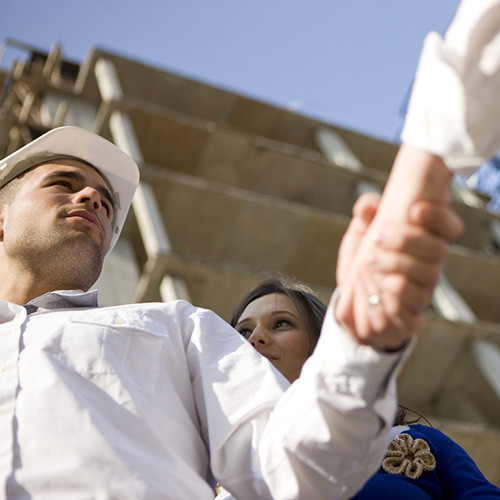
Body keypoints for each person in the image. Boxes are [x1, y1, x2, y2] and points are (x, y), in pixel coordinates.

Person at [0, 121, 460, 500]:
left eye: (104, 199)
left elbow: (289, 464)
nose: (92, 199)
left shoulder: (175, 328)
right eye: (64, 183)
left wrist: (360, 335)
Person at [230, 279, 500, 498]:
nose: (255, 338)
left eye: (281, 323)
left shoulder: (414, 442)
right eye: (242, 332)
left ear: (322, 347)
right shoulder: (214, 479)